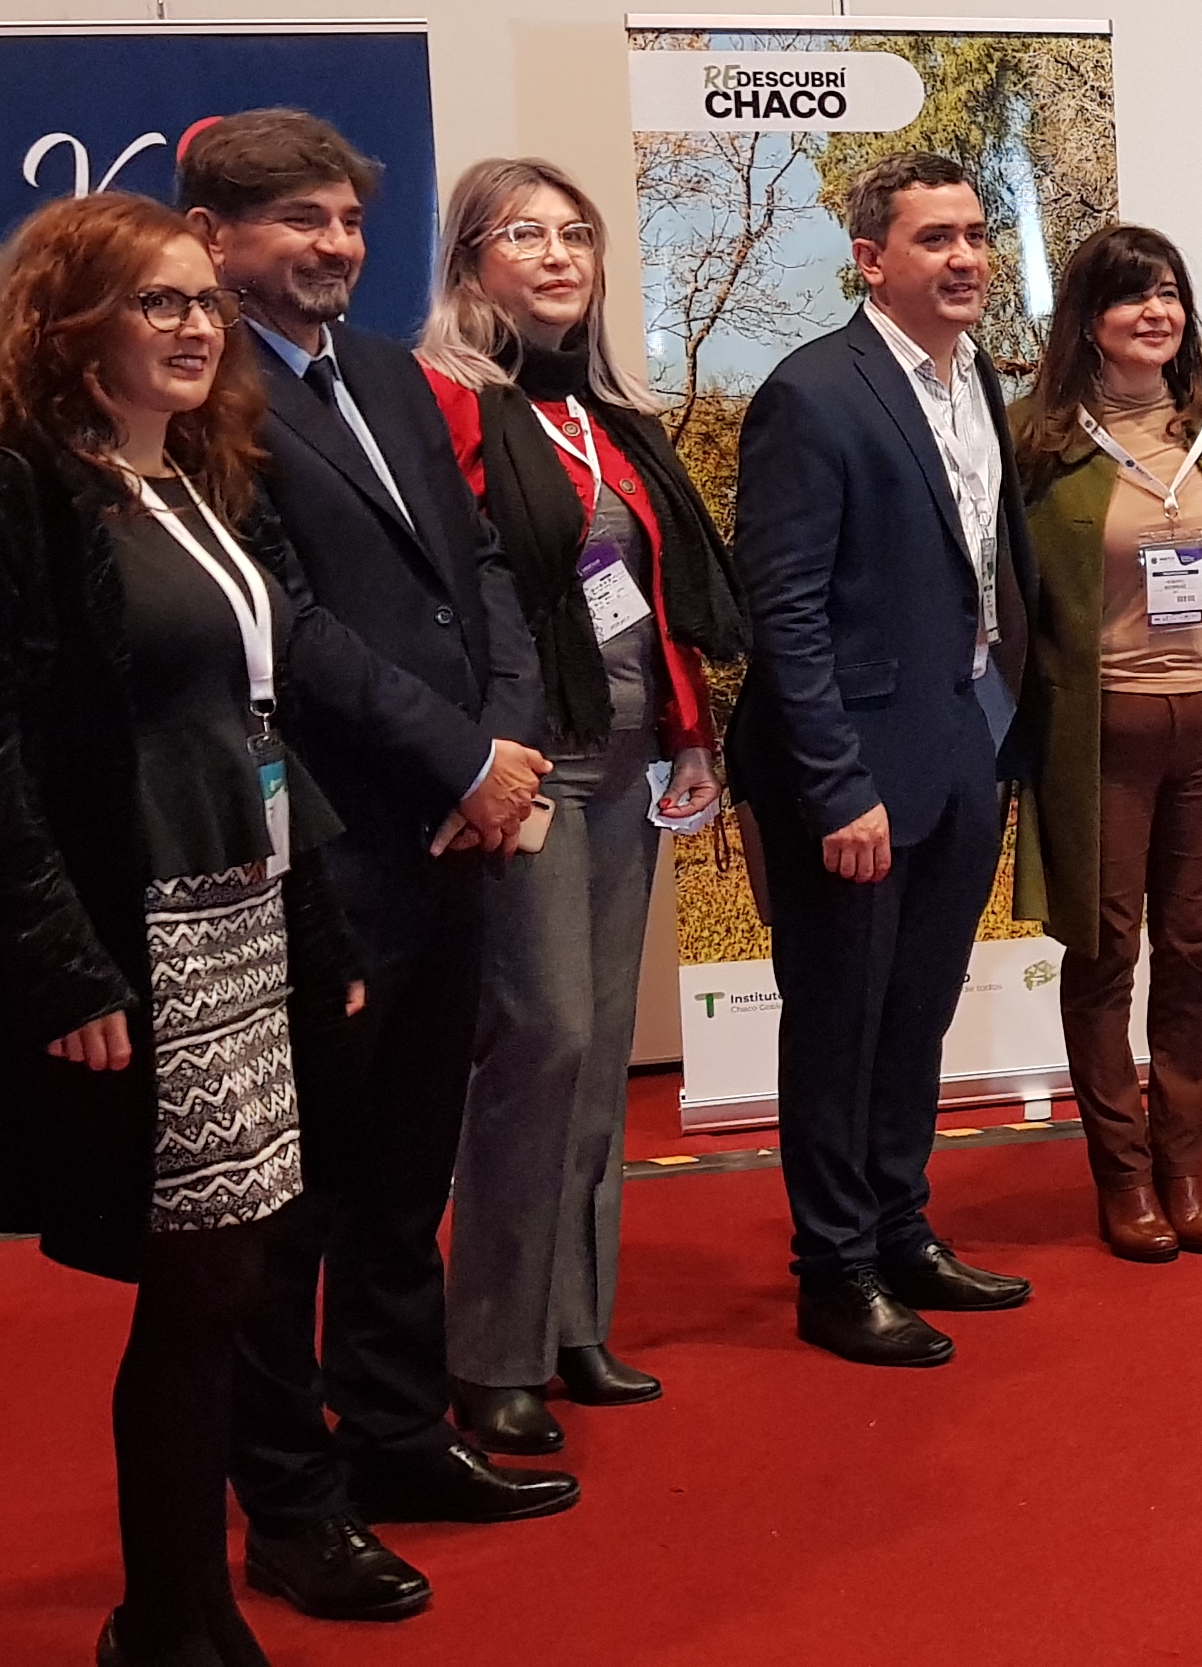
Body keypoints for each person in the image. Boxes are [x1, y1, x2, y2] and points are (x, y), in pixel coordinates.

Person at [0, 193, 370, 1663]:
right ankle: (167, 1619)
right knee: (196, 1287)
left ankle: (185, 1607)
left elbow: (256, 728)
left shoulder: (199, 482)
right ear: (66, 323)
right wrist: (64, 964)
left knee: (237, 1277)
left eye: (203, 302)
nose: (195, 326)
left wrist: (319, 930)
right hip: (141, 935)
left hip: (248, 918)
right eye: (157, 301)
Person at [179, 110, 571, 1624]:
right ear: (211, 238)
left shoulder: (396, 378)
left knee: (410, 1171)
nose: (334, 244)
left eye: (345, 218)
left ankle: (398, 1434)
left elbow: (483, 569)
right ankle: (292, 1504)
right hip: (323, 846)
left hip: (448, 829)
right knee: (300, 1207)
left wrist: (504, 745)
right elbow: (283, 621)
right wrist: (461, 760)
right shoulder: (204, 393)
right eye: (300, 219)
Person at [413, 160, 741, 1449]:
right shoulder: (442, 404)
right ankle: (491, 1348)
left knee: (600, 1051)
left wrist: (690, 735)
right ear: (469, 261)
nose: (558, 256)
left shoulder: (611, 416)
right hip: (525, 768)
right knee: (538, 1040)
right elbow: (442, 604)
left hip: (628, 756)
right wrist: (470, 753)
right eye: (524, 234)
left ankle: (570, 1323)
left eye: (576, 235)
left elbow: (649, 600)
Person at [731, 152, 1043, 1362]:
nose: (966, 258)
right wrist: (832, 785)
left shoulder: (978, 380)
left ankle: (902, 1229)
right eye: (935, 239)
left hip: (965, 740)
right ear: (871, 260)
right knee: (839, 1024)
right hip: (853, 771)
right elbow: (785, 612)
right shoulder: (813, 394)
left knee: (916, 1014)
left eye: (976, 235)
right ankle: (836, 1267)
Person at [1007, 224, 1202, 1260]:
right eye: (1130, 297)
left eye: (1168, 294)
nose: (1155, 314)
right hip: (1097, 740)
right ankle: (1122, 1178)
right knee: (1106, 952)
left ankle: (1183, 1167)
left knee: (1193, 954)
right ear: (1087, 318)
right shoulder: (1038, 441)